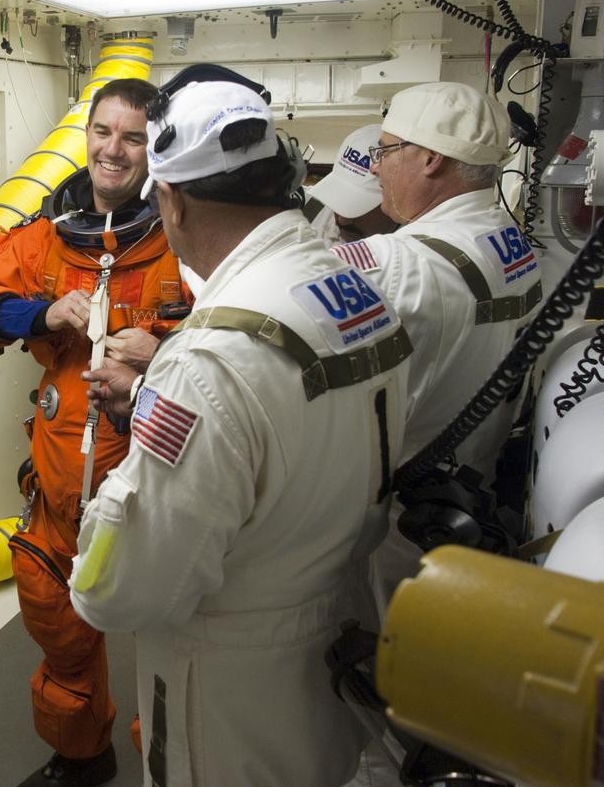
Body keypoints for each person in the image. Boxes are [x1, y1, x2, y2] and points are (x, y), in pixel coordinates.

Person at [70, 79, 413, 787]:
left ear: (173, 200)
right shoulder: (354, 291)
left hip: (229, 700)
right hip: (335, 649)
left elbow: (120, 593)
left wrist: (100, 517)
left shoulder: (207, 361)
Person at [0, 77, 182, 787]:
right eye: (103, 132)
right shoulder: (48, 240)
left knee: (176, 648)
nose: (114, 150)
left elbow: (244, 336)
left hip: (161, 493)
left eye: (134, 138)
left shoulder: (184, 240)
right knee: (58, 625)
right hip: (63, 495)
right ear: (87, 137)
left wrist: (166, 349)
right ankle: (83, 757)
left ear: (154, 150)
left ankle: (174, 769)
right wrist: (41, 314)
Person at [341, 82, 543, 614]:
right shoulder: (509, 241)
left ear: (430, 158)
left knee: (382, 646)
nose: (376, 168)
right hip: (468, 497)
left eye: (385, 151)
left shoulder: (397, 262)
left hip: (398, 521)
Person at [306, 124, 398, 243]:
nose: (342, 220)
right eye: (337, 200)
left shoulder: (412, 250)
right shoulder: (312, 211)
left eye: (358, 207)